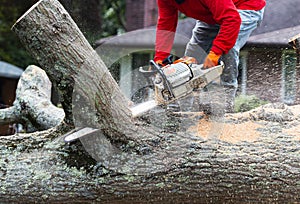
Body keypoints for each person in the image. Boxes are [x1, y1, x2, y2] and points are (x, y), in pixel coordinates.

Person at [154, 0, 265, 112]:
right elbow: (166, 23)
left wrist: (215, 53)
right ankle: (181, 105)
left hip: (244, 8)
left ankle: (226, 102)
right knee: (192, 55)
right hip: (213, 13)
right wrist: (160, 57)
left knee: (228, 47)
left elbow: (232, 19)